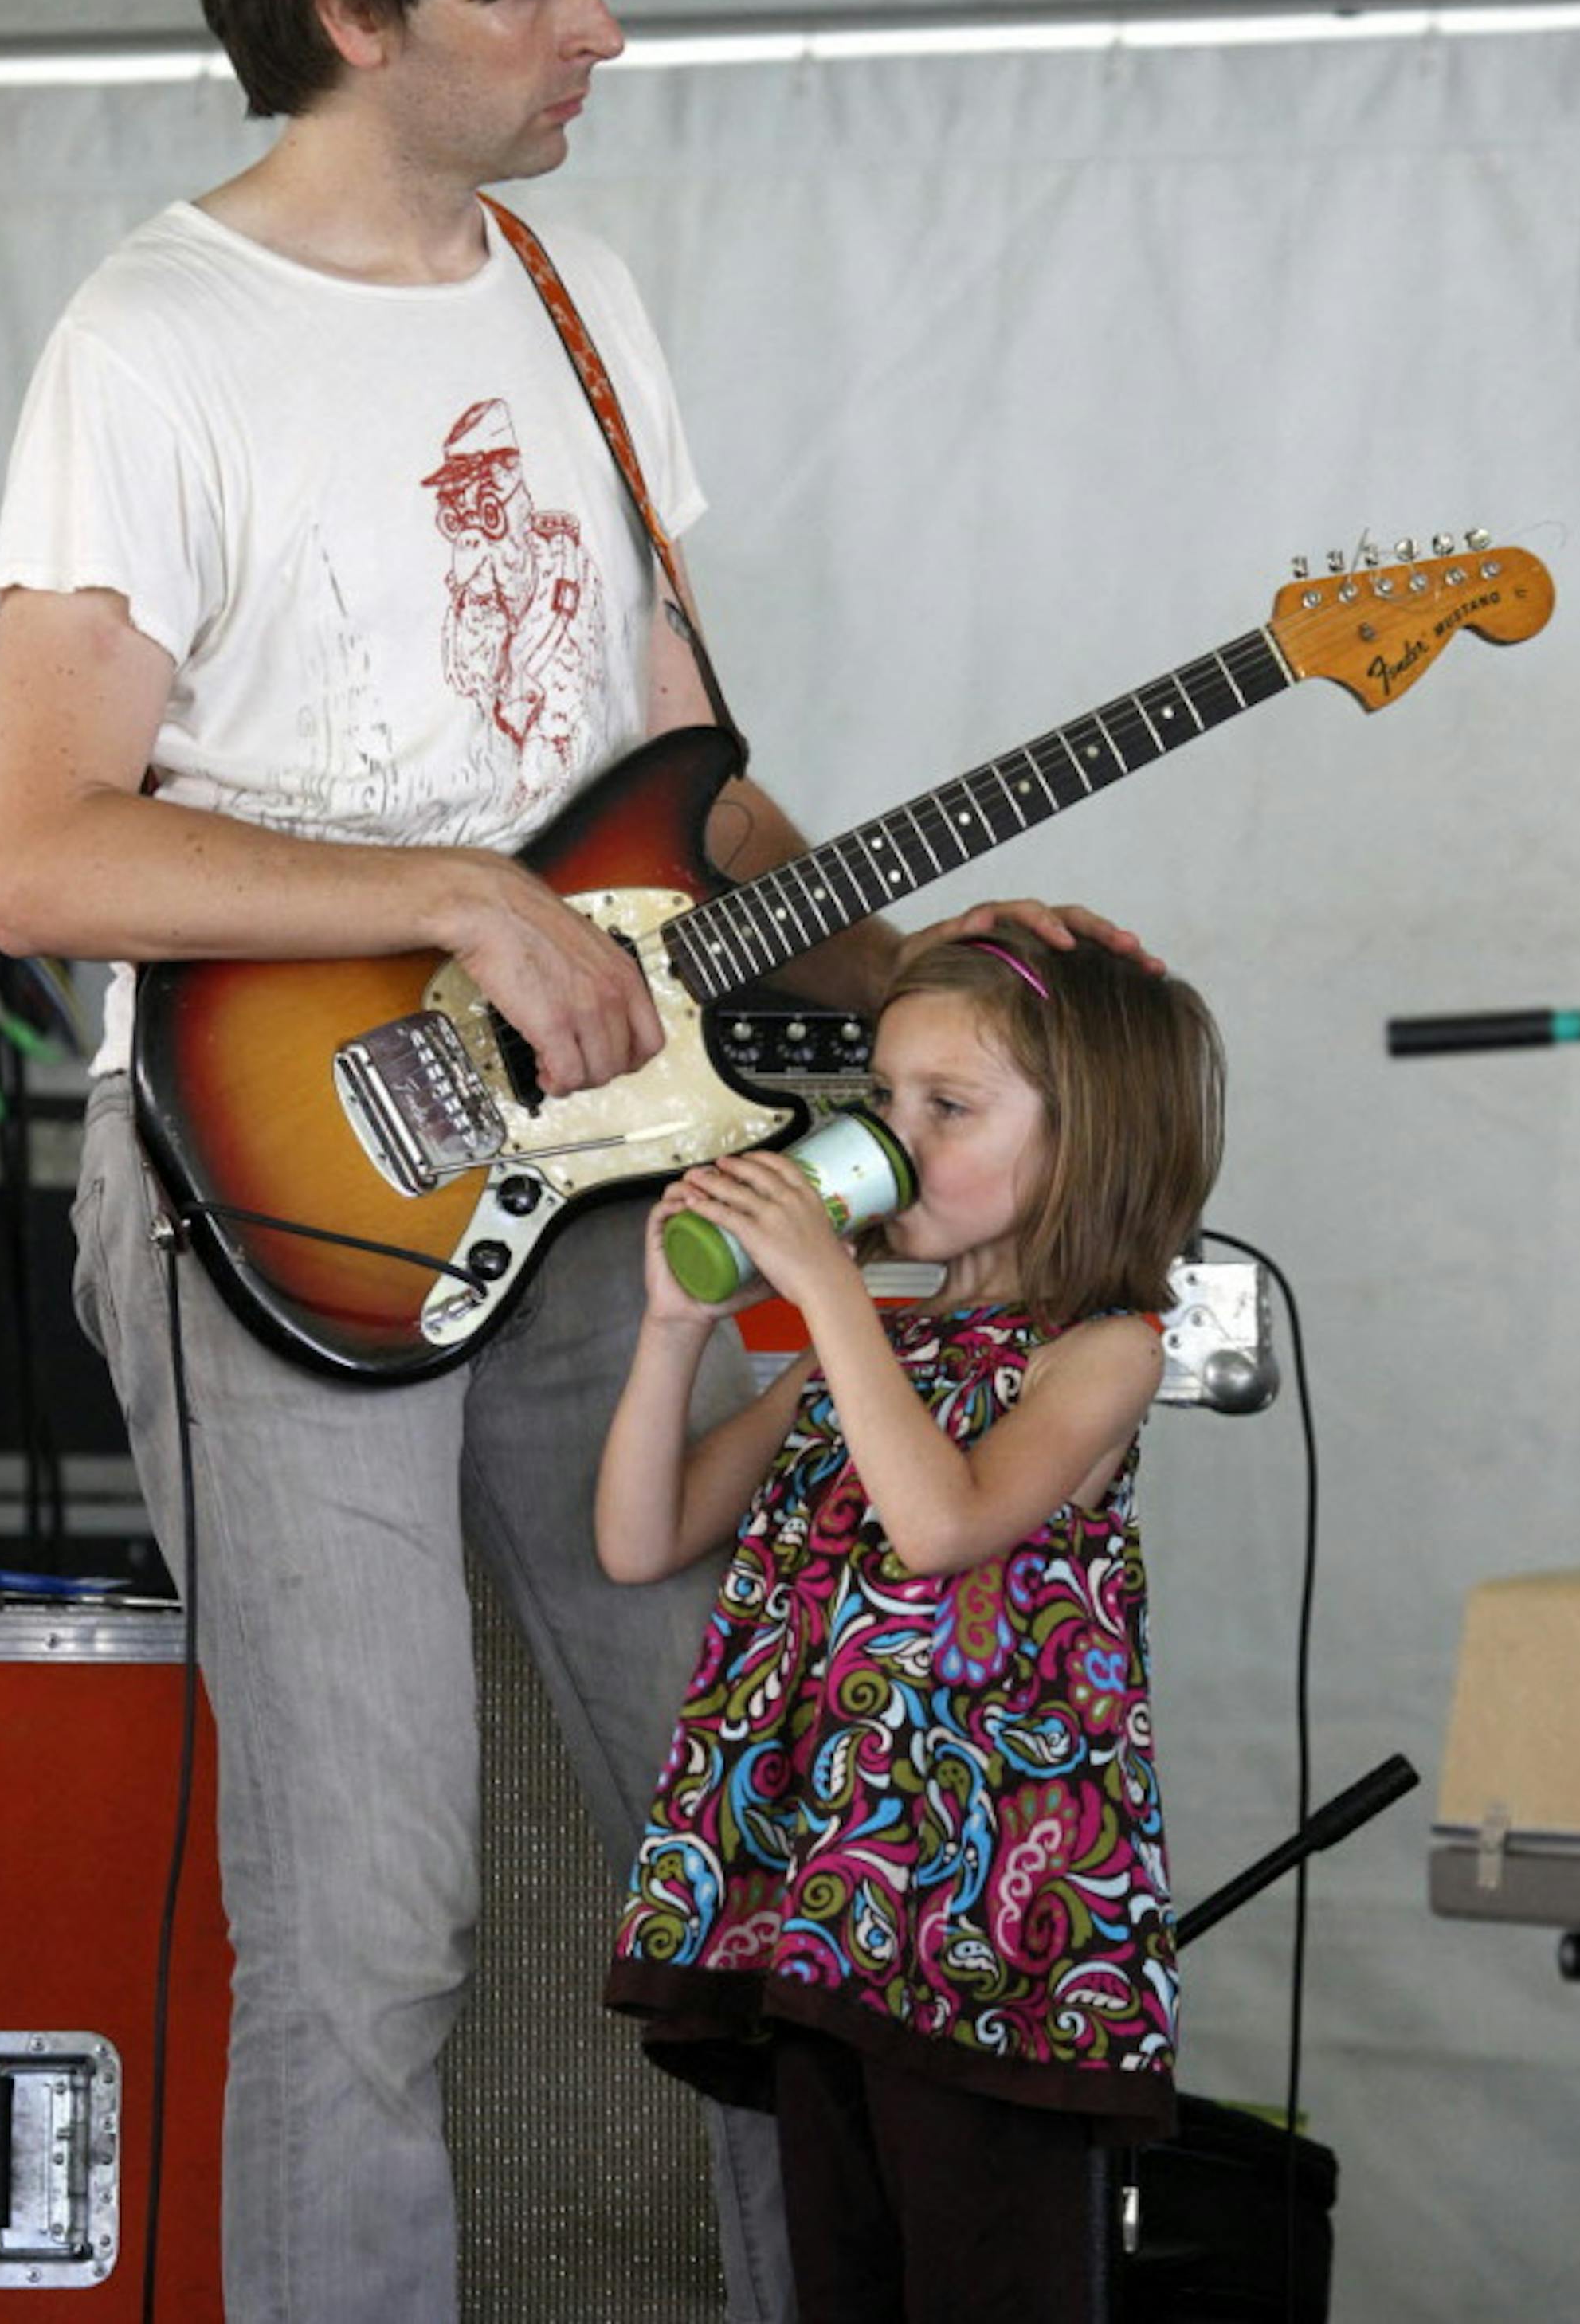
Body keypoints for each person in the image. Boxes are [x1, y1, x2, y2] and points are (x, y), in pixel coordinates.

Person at [0, 0, 1155, 2317]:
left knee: (768, 1839)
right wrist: (451, 898)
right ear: (348, 10)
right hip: (281, 1195)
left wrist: (926, 978)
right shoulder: (155, 339)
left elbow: (692, 806)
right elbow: (38, 852)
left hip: (609, 1166)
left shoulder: (574, 292)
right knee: (372, 1918)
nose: (598, 29)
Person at [598, 927, 1225, 2322]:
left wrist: (824, 1289)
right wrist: (673, 1329)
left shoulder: (1100, 1353)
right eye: (885, 1101)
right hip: (830, 1919)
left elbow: (946, 1525)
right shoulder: (872, 1350)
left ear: (1090, 1142)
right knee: (852, 2280)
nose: (896, 1138)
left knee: (989, 2276)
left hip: (987, 1935)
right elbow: (641, 1539)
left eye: (950, 1108)